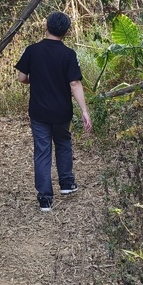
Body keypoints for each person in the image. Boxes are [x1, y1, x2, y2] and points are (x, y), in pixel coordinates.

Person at [15, 11, 92, 212]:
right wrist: (84, 110)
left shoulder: (32, 50)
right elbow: (74, 83)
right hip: (62, 110)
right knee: (63, 143)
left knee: (42, 151)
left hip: (38, 111)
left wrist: (36, 79)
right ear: (66, 32)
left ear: (46, 26)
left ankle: (45, 199)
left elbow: (21, 78)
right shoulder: (69, 54)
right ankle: (66, 184)